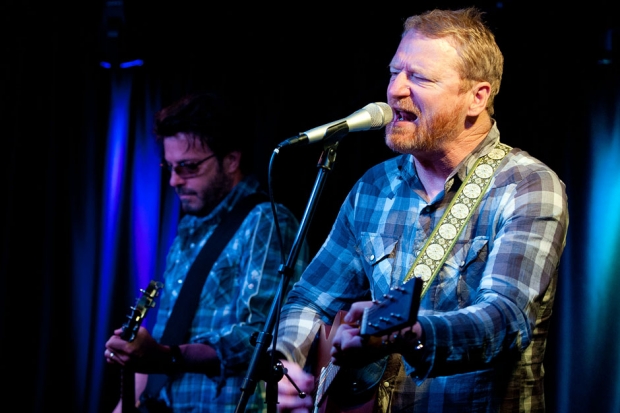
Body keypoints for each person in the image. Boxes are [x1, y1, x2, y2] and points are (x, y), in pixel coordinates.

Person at [274, 7, 569, 413]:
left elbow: (504, 320)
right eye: (395, 72)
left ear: (477, 97)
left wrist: (406, 335)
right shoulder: (375, 187)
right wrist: (287, 365)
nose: (395, 90)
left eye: (419, 77)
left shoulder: (526, 185)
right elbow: (310, 298)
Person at [104, 91, 309, 412]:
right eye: (169, 166)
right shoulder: (188, 230)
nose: (174, 180)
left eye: (187, 167)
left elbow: (262, 335)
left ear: (230, 160)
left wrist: (168, 356)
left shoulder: (266, 221)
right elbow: (164, 333)